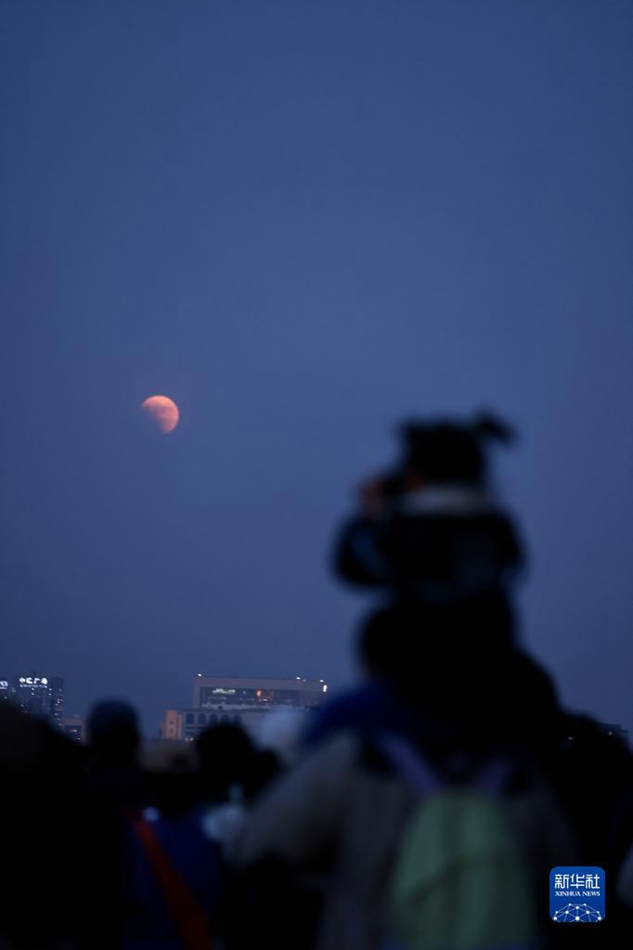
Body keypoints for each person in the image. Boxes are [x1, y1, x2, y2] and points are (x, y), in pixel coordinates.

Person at [333, 412, 523, 639]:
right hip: (495, 654)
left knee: (378, 628)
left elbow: (355, 566)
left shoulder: (410, 532)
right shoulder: (496, 527)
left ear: (418, 476)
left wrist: (371, 516)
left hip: (422, 659)